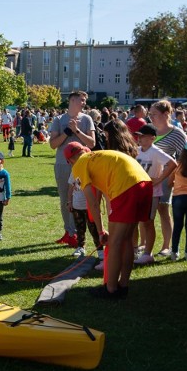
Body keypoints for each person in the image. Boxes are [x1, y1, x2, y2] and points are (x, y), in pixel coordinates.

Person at [65, 143, 152, 299]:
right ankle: (123, 286)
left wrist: (100, 231)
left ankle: (110, 289)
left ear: (70, 160)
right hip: (145, 182)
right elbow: (104, 192)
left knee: (115, 242)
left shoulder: (79, 164)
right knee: (127, 240)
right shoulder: (99, 158)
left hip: (126, 186)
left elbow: (91, 202)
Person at [49, 91, 96, 247]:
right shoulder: (58, 120)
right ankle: (69, 232)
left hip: (82, 166)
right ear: (72, 100)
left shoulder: (87, 119)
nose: (83, 103)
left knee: (81, 200)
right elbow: (53, 144)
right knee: (65, 199)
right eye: (81, 100)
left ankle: (78, 233)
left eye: (84, 101)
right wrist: (66, 133)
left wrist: (77, 131)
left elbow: (92, 143)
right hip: (63, 165)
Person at [133, 125, 177, 265]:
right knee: (134, 221)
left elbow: (172, 163)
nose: (139, 138)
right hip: (138, 191)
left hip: (152, 193)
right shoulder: (137, 151)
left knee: (148, 222)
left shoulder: (155, 151)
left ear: (152, 138)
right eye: (139, 136)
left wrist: (159, 179)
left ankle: (148, 253)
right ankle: (134, 250)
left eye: (143, 136)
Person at [148, 100, 187, 257]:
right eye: (150, 114)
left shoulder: (177, 133)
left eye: (154, 114)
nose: (151, 117)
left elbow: (183, 159)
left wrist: (171, 178)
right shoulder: (149, 130)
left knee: (163, 209)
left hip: (165, 177)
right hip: (146, 177)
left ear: (166, 114)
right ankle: (144, 245)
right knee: (145, 212)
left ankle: (166, 245)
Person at [67, 170, 102, 258]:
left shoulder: (91, 171)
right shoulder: (74, 171)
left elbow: (98, 188)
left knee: (94, 229)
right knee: (79, 228)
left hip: (89, 208)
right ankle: (80, 247)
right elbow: (70, 188)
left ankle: (100, 250)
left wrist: (97, 202)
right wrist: (69, 202)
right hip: (76, 206)